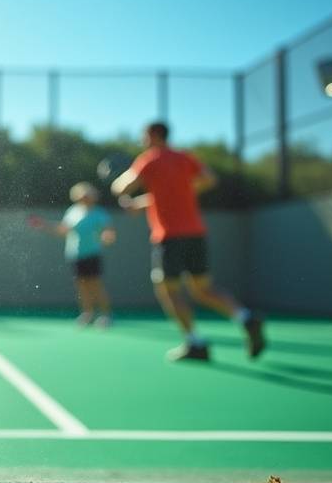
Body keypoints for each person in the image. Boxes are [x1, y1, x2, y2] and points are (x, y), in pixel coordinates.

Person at [111, 122, 265, 361]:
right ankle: (245, 317)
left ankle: (195, 342)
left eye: (144, 135)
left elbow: (121, 187)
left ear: (153, 135)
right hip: (196, 234)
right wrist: (178, 190)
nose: (142, 139)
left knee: (168, 291)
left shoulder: (149, 159)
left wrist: (121, 188)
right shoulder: (185, 158)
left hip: (169, 236)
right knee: (203, 290)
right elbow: (210, 179)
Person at [30, 182, 117, 327]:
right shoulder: (73, 211)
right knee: (81, 285)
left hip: (92, 253)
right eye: (82, 195)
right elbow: (63, 230)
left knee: (95, 284)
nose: (85, 198)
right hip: (75, 254)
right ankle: (87, 314)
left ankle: (106, 315)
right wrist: (44, 225)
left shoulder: (100, 213)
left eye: (88, 195)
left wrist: (108, 236)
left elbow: (109, 231)